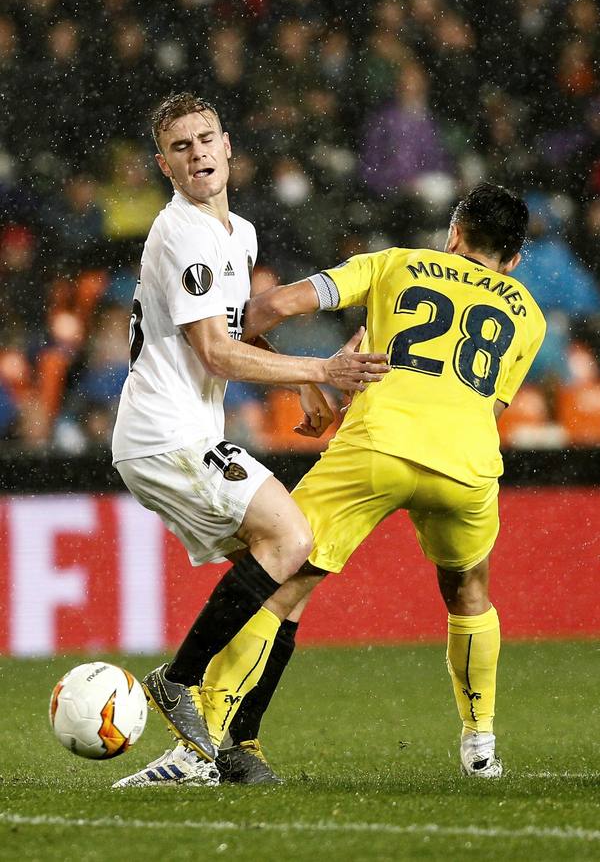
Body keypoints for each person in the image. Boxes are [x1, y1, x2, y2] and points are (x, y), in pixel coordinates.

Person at [121, 183, 545, 786]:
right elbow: (487, 402)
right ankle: (480, 745)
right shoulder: (528, 314)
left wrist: (293, 364)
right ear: (515, 258)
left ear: (454, 233)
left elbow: (275, 307)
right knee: (469, 593)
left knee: (283, 573)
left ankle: (202, 746)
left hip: (378, 448)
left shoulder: (395, 263)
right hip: (467, 466)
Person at [110, 92, 389, 788]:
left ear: (229, 145)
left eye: (206, 139)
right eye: (181, 147)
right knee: (293, 540)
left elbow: (237, 333)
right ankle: (179, 681)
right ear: (164, 165)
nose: (198, 154)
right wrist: (321, 367)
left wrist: (299, 383)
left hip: (181, 432)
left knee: (292, 571)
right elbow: (214, 354)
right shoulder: (182, 234)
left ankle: (232, 748)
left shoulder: (240, 234)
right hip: (163, 432)